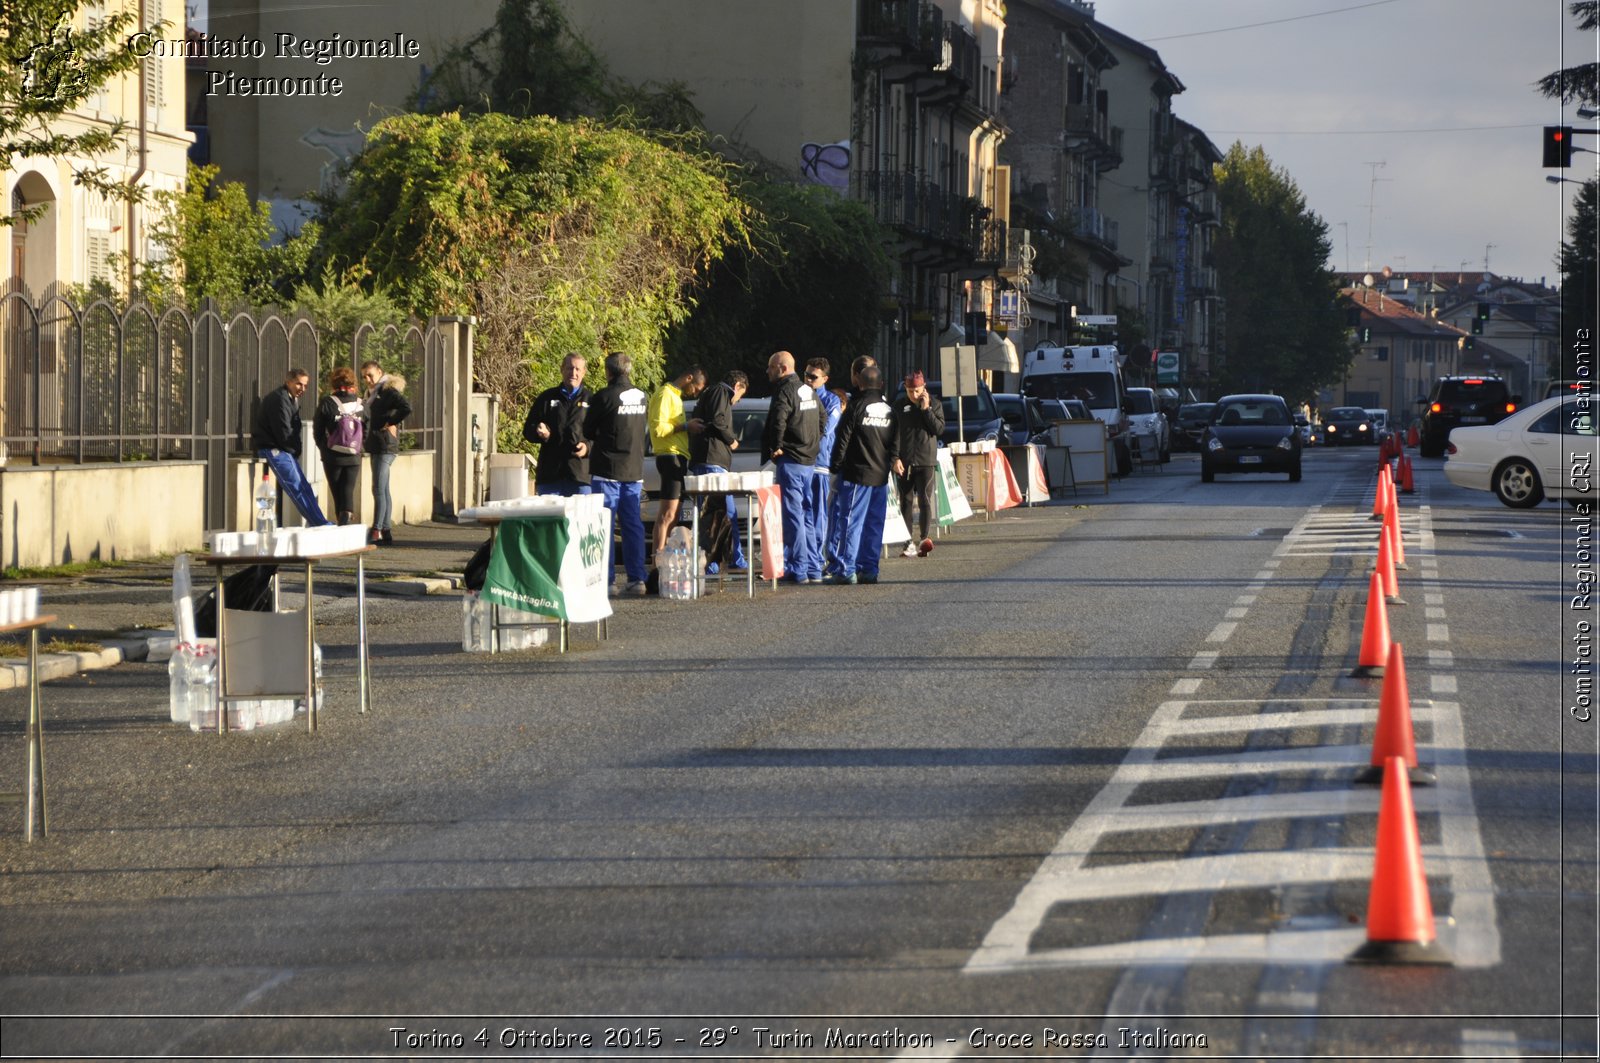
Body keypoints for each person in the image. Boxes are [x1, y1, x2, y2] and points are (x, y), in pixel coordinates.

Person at [584, 352, 650, 596]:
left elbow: (588, 429)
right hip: (634, 469)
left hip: (607, 470)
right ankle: (637, 579)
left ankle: (607, 581)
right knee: (633, 526)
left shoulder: (604, 396)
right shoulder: (642, 396)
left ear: (608, 371)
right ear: (629, 371)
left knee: (605, 526)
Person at [825, 365, 898, 585]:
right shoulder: (889, 410)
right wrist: (890, 464)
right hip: (881, 476)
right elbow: (895, 444)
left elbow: (842, 440)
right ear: (881, 384)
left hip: (856, 475)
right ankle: (870, 569)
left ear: (861, 383)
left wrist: (835, 466)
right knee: (875, 524)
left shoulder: (856, 408)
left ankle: (846, 569)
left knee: (850, 522)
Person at [761, 350, 823, 584]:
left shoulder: (785, 390)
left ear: (782, 368)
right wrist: (813, 442)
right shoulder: (809, 390)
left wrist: (776, 446)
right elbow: (823, 419)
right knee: (807, 514)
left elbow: (779, 419)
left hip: (791, 461)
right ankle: (813, 568)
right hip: (809, 462)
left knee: (793, 516)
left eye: (771, 367)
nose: (767, 371)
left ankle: (798, 569)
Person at [251, 367, 331, 527]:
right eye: (299, 384)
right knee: (297, 486)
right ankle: (319, 523)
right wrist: (295, 450)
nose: (302, 389)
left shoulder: (289, 398)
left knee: (303, 486)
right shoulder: (280, 399)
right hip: (273, 448)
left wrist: (294, 450)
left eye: (305, 385)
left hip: (283, 448)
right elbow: (284, 432)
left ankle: (320, 522)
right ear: (288, 382)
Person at [687, 369, 749, 573]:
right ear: (738, 386)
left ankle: (717, 558)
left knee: (712, 513)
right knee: (722, 512)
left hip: (707, 459)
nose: (737, 401)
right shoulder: (722, 392)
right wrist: (731, 440)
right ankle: (725, 559)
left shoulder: (711, 393)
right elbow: (718, 420)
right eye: (741, 395)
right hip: (712, 460)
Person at [647, 364, 706, 563]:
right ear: (689, 378)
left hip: (677, 456)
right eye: (696, 388)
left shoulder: (676, 396)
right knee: (668, 513)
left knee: (674, 513)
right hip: (669, 456)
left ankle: (662, 557)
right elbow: (657, 428)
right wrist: (685, 426)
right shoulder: (665, 394)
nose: (695, 393)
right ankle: (658, 560)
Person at [523, 352, 592, 496]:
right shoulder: (547, 398)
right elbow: (528, 429)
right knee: (550, 519)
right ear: (562, 369)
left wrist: (587, 447)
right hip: (550, 477)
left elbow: (602, 435)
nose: (573, 373)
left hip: (580, 477)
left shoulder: (592, 400)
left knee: (580, 519)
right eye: (569, 368)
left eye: (578, 369)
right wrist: (539, 432)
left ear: (584, 372)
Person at [894, 369, 944, 558]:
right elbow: (893, 434)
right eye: (909, 391)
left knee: (924, 499)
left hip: (926, 460)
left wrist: (926, 409)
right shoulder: (899, 406)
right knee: (905, 502)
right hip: (905, 461)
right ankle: (908, 542)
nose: (913, 395)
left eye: (916, 390)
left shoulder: (935, 404)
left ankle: (924, 538)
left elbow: (938, 429)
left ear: (924, 388)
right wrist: (895, 458)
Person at [360, 361, 411, 545]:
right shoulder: (372, 394)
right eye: (364, 376)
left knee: (378, 488)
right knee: (384, 489)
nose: (367, 379)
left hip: (386, 446)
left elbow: (406, 408)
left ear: (379, 372)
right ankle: (386, 530)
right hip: (376, 444)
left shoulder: (387, 391)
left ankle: (377, 530)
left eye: (370, 375)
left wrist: (390, 422)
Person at [312, 366, 364, 526]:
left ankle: (342, 523)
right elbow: (367, 428)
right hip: (354, 455)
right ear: (353, 382)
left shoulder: (328, 402)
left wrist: (324, 448)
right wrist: (359, 447)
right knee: (348, 488)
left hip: (332, 455)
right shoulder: (361, 404)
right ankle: (347, 517)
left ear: (333, 382)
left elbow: (318, 429)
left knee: (336, 491)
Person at [804, 358, 842, 574]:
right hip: (802, 464)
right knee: (802, 514)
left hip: (819, 465)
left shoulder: (831, 400)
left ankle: (817, 559)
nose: (809, 380)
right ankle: (803, 559)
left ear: (825, 379)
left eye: (813, 377)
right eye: (806, 375)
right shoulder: (799, 394)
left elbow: (826, 429)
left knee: (819, 515)